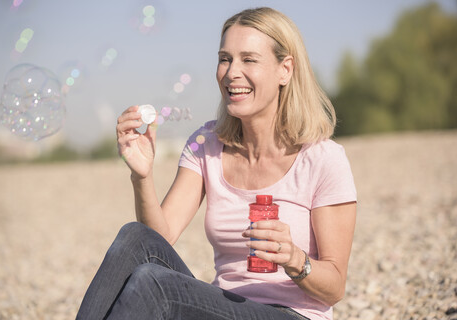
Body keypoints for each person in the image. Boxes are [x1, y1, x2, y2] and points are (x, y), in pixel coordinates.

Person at [76, 7, 356, 320]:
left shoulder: (323, 159)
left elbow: (335, 287)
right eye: (225, 58)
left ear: (285, 70)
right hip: (224, 307)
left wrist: (294, 258)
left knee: (155, 285)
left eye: (249, 59)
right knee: (134, 238)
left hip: (293, 314)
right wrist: (142, 177)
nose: (232, 72)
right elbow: (159, 240)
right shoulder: (207, 143)